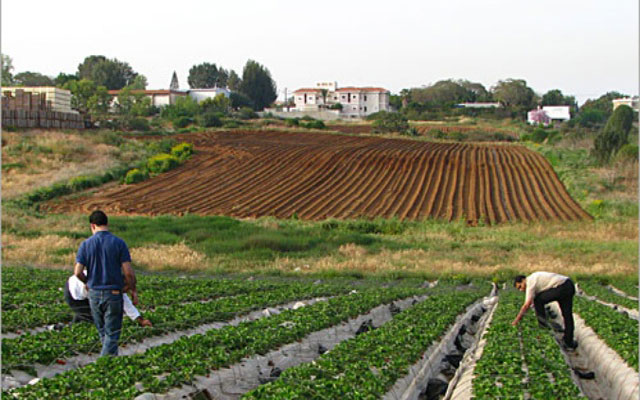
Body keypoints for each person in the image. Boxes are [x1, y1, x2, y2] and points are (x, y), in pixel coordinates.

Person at [74, 210, 138, 356]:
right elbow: (128, 272)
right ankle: (103, 366)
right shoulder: (119, 243)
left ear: (92, 226)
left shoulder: (85, 245)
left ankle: (109, 366)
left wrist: (88, 282)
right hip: (113, 293)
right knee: (112, 335)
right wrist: (131, 288)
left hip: (94, 293)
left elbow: (77, 272)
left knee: (104, 334)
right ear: (107, 224)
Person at [512, 271, 578, 350]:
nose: (521, 289)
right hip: (568, 285)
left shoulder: (530, 282)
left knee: (538, 300)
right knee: (567, 315)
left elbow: (527, 305)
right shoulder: (533, 279)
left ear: (523, 280)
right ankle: (569, 342)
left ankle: (543, 326)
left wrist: (517, 320)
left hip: (562, 287)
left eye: (520, 286)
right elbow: (531, 304)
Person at [64, 272, 152, 327]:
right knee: (92, 318)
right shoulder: (106, 283)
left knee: (92, 316)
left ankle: (71, 326)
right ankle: (65, 329)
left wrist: (141, 320)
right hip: (73, 292)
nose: (126, 291)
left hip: (87, 294)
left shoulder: (116, 285)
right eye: (127, 288)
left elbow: (127, 304)